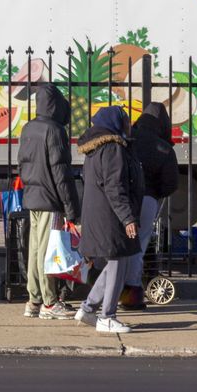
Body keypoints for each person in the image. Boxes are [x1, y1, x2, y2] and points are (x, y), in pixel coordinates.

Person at [74, 106, 144, 334]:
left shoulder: (96, 149)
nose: (128, 125)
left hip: (102, 215)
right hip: (111, 216)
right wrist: (127, 217)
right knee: (117, 263)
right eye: (125, 120)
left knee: (116, 265)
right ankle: (107, 316)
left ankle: (89, 308)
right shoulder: (113, 148)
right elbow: (115, 186)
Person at [16, 83, 82, 320]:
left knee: (35, 250)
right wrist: (71, 208)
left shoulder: (28, 128)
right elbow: (61, 174)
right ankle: (50, 302)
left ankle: (33, 299)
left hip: (32, 197)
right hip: (50, 199)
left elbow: (21, 165)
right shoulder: (55, 131)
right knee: (48, 251)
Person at [121, 103, 179, 311]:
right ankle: (132, 292)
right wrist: (157, 194)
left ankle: (110, 290)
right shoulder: (164, 148)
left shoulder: (127, 141)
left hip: (123, 198)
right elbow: (171, 183)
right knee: (139, 245)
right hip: (147, 199)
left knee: (118, 245)